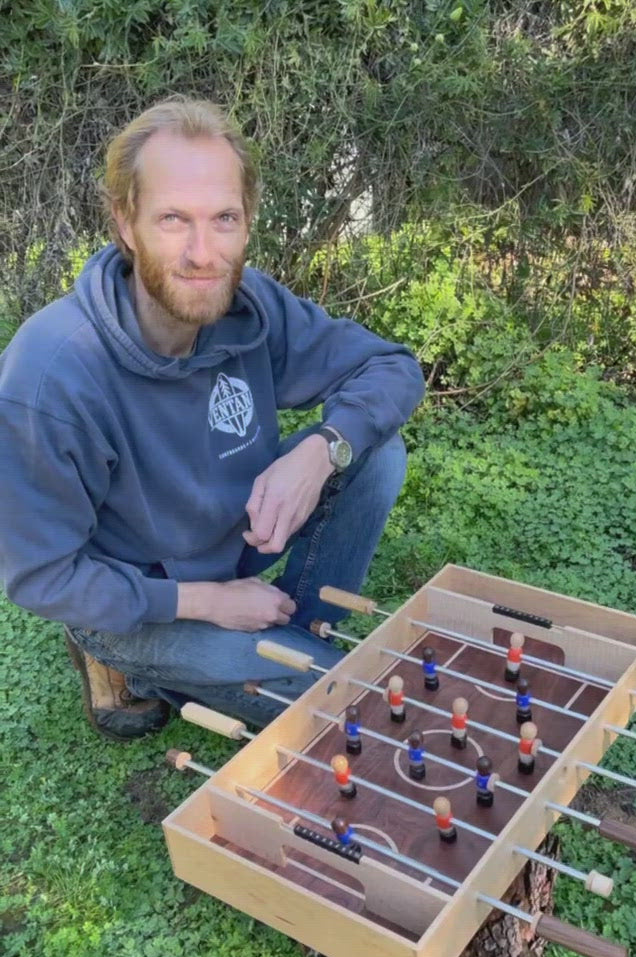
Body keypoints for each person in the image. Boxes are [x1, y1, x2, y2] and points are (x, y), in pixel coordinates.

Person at [0, 98, 425, 740]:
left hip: (233, 542)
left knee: (372, 448)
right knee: (338, 700)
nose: (204, 253)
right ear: (126, 223)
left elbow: (393, 368)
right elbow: (39, 574)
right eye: (174, 219)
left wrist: (319, 452)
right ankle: (127, 663)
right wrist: (209, 604)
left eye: (223, 218)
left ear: (248, 220)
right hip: (138, 600)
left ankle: (298, 635)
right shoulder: (51, 373)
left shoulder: (251, 306)